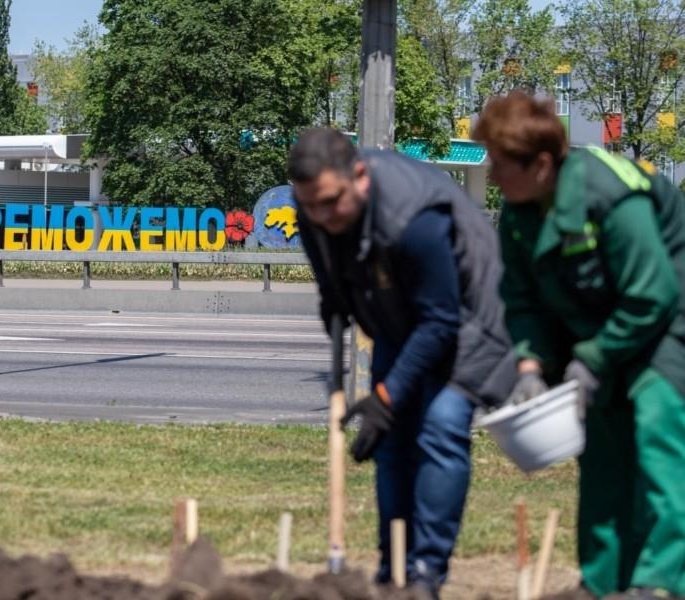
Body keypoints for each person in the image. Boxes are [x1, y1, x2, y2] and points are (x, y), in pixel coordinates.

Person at [472, 90, 685, 599]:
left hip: (666, 323)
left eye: (500, 164)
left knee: (656, 441)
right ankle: (603, 582)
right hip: (601, 334)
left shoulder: (606, 193)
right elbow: (520, 299)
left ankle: (658, 584)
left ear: (542, 164)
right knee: (604, 458)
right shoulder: (522, 215)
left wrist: (590, 360)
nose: (493, 175)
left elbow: (651, 293)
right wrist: (528, 366)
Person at [287, 128, 516, 598]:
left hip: (470, 318)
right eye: (310, 206)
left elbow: (441, 322)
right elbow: (333, 282)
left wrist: (385, 396)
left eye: (331, 203)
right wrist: (333, 302)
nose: (321, 216)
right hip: (400, 317)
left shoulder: (414, 219)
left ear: (360, 178)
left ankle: (426, 573)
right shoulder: (314, 210)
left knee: (440, 428)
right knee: (390, 440)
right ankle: (393, 569)